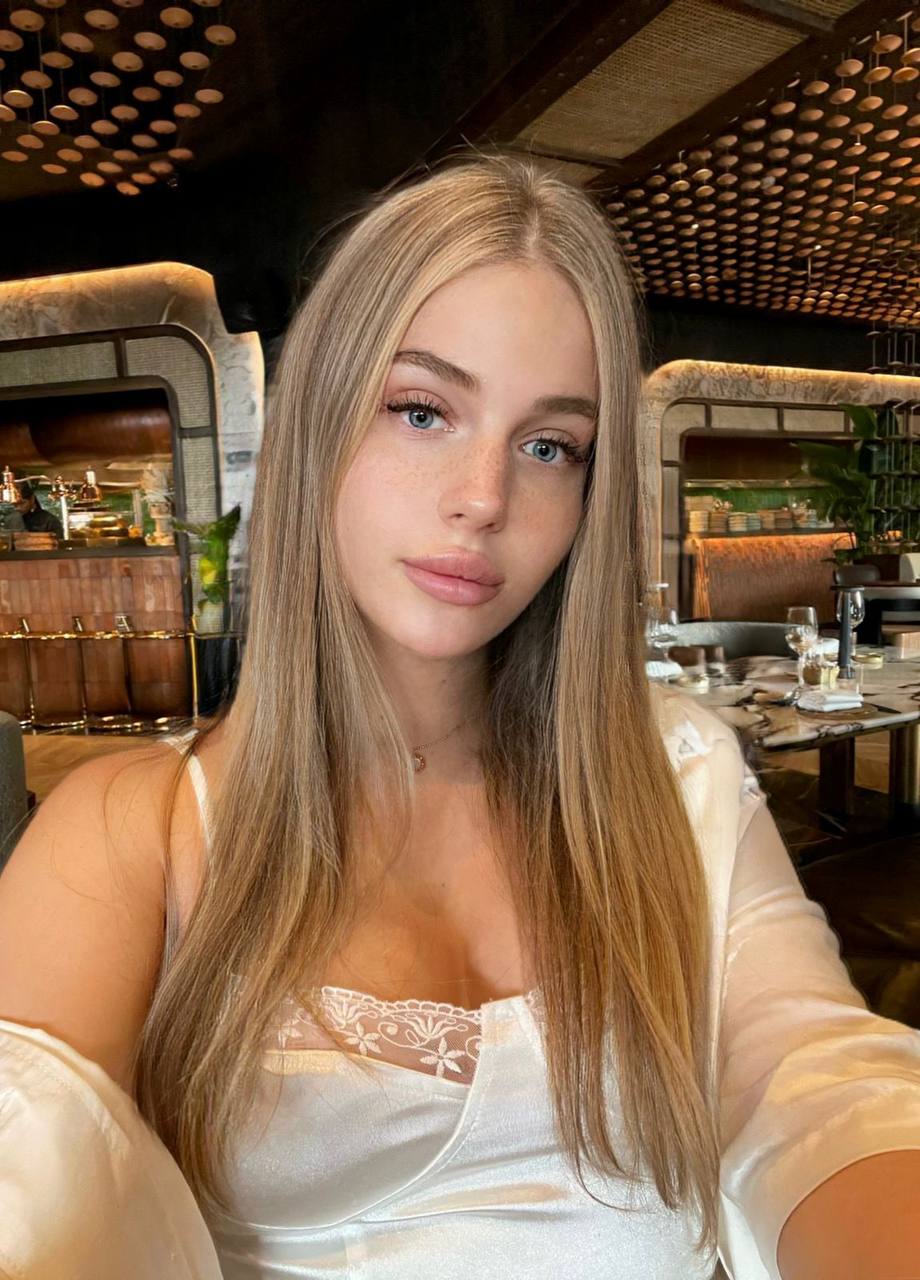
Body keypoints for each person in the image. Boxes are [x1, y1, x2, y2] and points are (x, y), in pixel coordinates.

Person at [0, 149, 919, 1280]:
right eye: (421, 410)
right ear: (319, 424)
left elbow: (808, 1075)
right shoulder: (129, 833)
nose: (484, 497)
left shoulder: (673, 763)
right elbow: (34, 1179)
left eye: (549, 445)